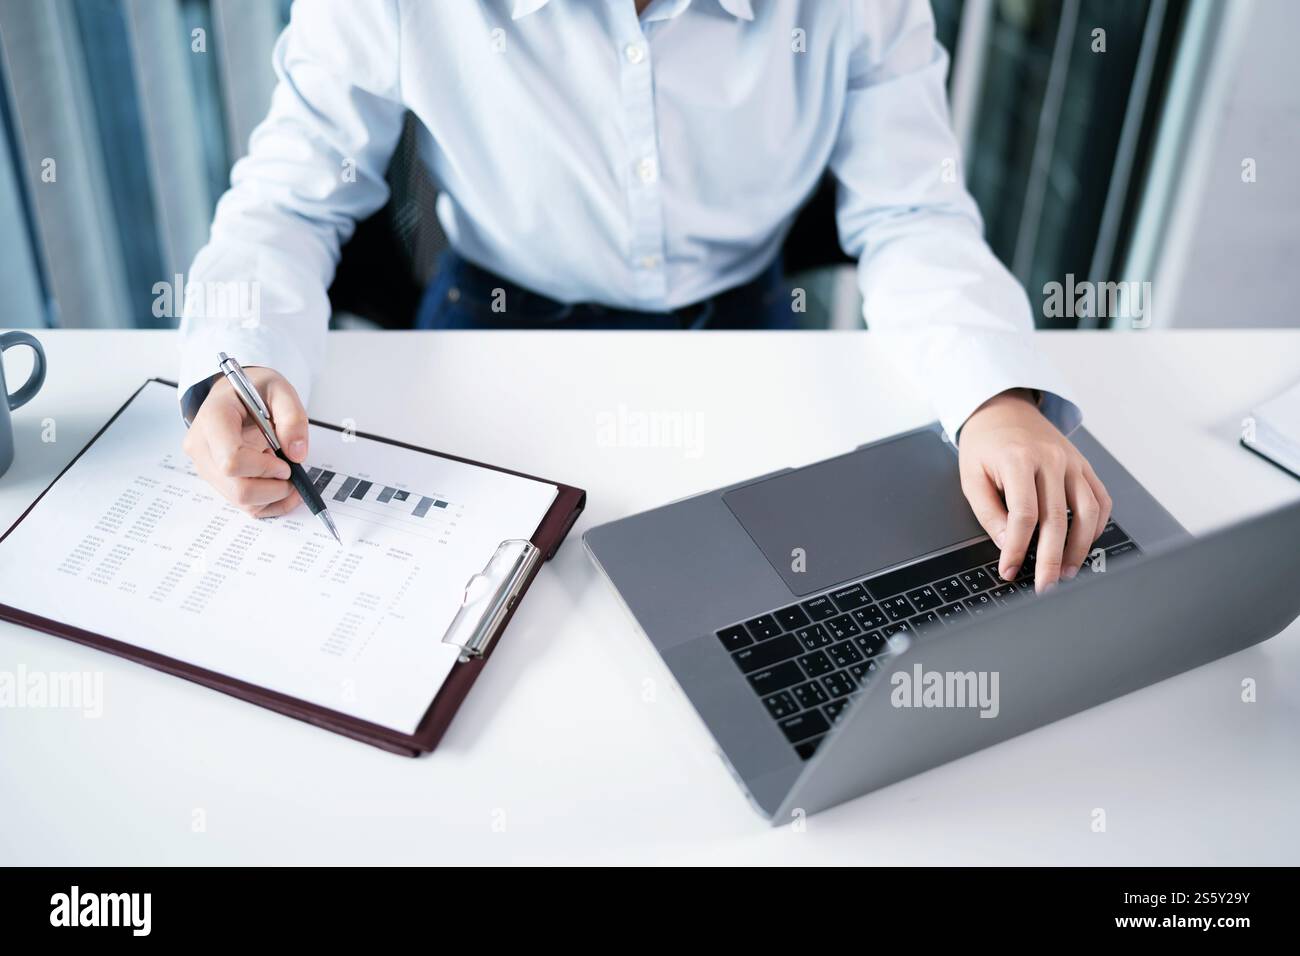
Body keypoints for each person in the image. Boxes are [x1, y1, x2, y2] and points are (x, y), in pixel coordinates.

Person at [179, 0, 1111, 593]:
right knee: (455, 616)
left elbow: (912, 207)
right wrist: (239, 363)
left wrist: (995, 398)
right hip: (494, 323)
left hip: (743, 330)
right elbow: (288, 201)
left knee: (755, 603)